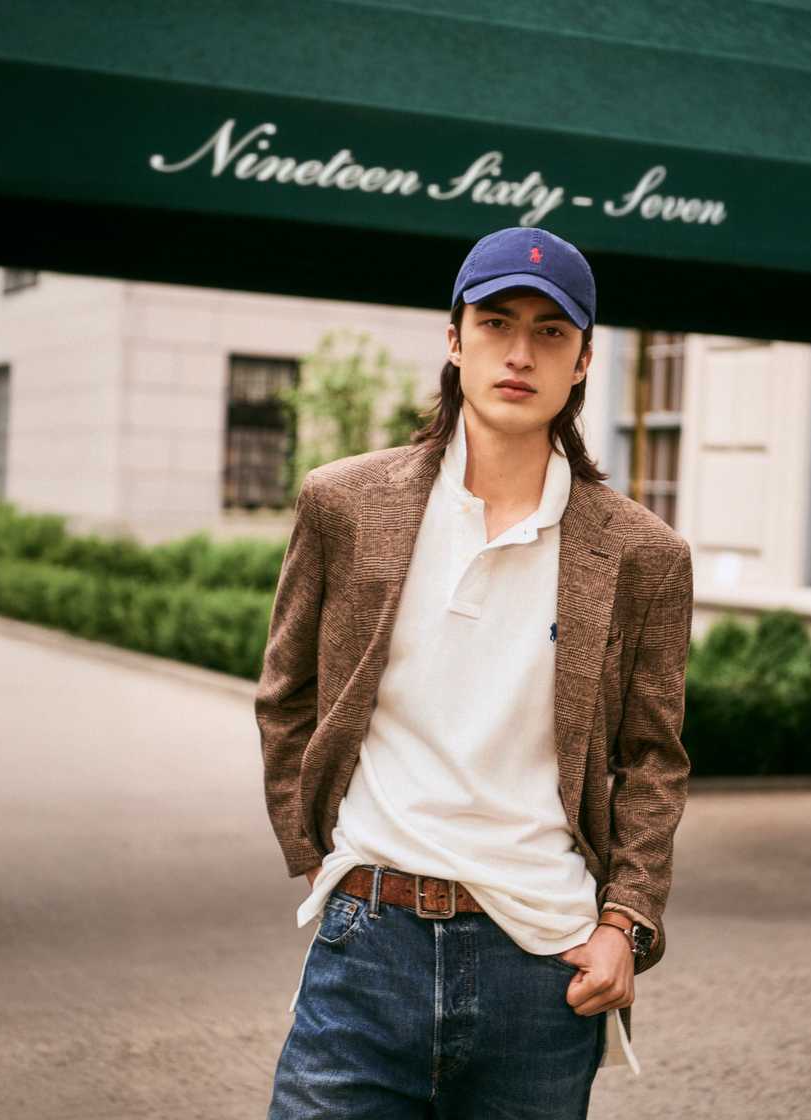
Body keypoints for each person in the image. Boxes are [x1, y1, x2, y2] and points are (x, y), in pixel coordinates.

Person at [256, 226, 694, 1119]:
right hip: (367, 944)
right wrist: (317, 860)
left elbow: (653, 759)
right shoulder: (345, 504)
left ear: (582, 362)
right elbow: (287, 695)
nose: (520, 353)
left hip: (542, 963)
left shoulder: (643, 556)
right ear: (454, 340)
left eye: (550, 332)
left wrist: (625, 924)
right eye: (496, 323)